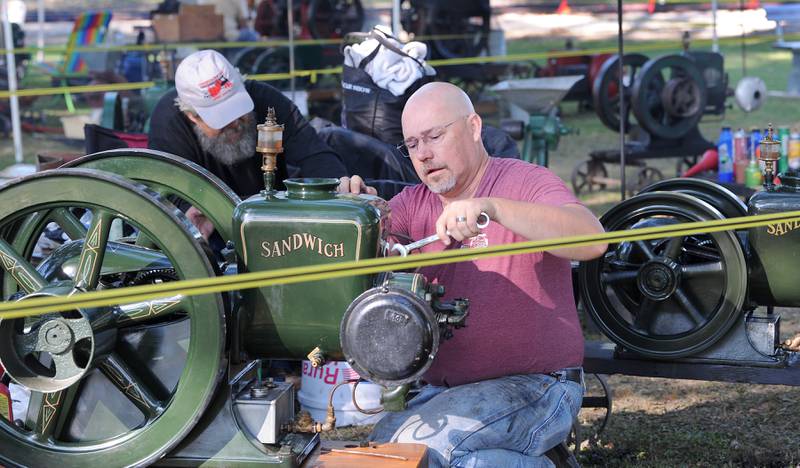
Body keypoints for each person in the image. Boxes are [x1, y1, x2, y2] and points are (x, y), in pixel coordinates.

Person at [369, 82, 606, 467]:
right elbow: (371, 259)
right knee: (380, 456)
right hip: (440, 392)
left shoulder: (525, 183)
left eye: (434, 136)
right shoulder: (412, 205)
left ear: (474, 127)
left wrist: (492, 208)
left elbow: (591, 240)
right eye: (412, 144)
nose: (424, 154)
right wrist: (358, 213)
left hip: (539, 384)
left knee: (422, 451)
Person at [148, 50, 373, 238]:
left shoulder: (267, 101)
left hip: (276, 225)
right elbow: (166, 190)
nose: (234, 122)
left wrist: (337, 186)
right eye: (221, 119)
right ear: (191, 116)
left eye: (238, 110)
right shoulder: (169, 123)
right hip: (211, 233)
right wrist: (187, 215)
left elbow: (313, 153)